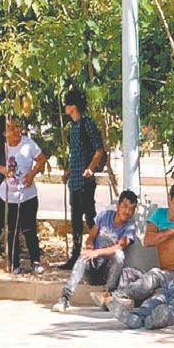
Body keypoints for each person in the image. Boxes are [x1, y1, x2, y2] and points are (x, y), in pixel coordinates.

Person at [52, 190, 138, 312]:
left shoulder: (130, 227)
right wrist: (89, 248)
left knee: (119, 255)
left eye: (131, 209)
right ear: (118, 206)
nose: (127, 212)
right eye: (125, 206)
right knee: (83, 256)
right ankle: (65, 298)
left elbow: (119, 247)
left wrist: (96, 252)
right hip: (93, 267)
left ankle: (107, 295)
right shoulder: (105, 216)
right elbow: (91, 237)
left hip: (108, 272)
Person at [0, 115, 47, 274]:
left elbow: (41, 160)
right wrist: (2, 169)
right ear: (4, 133)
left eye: (18, 126)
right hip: (7, 196)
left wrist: (32, 173)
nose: (18, 130)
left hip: (28, 195)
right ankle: (14, 264)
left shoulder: (28, 143)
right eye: (12, 128)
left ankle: (35, 261)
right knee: (12, 230)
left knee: (29, 229)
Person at [59, 89, 106, 270]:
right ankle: (75, 256)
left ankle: (97, 254)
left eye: (67, 104)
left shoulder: (87, 124)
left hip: (85, 180)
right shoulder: (73, 127)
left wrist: (91, 168)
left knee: (90, 218)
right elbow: (76, 154)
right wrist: (69, 171)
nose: (65, 107)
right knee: (76, 220)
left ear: (73, 106)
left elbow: (99, 149)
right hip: (75, 181)